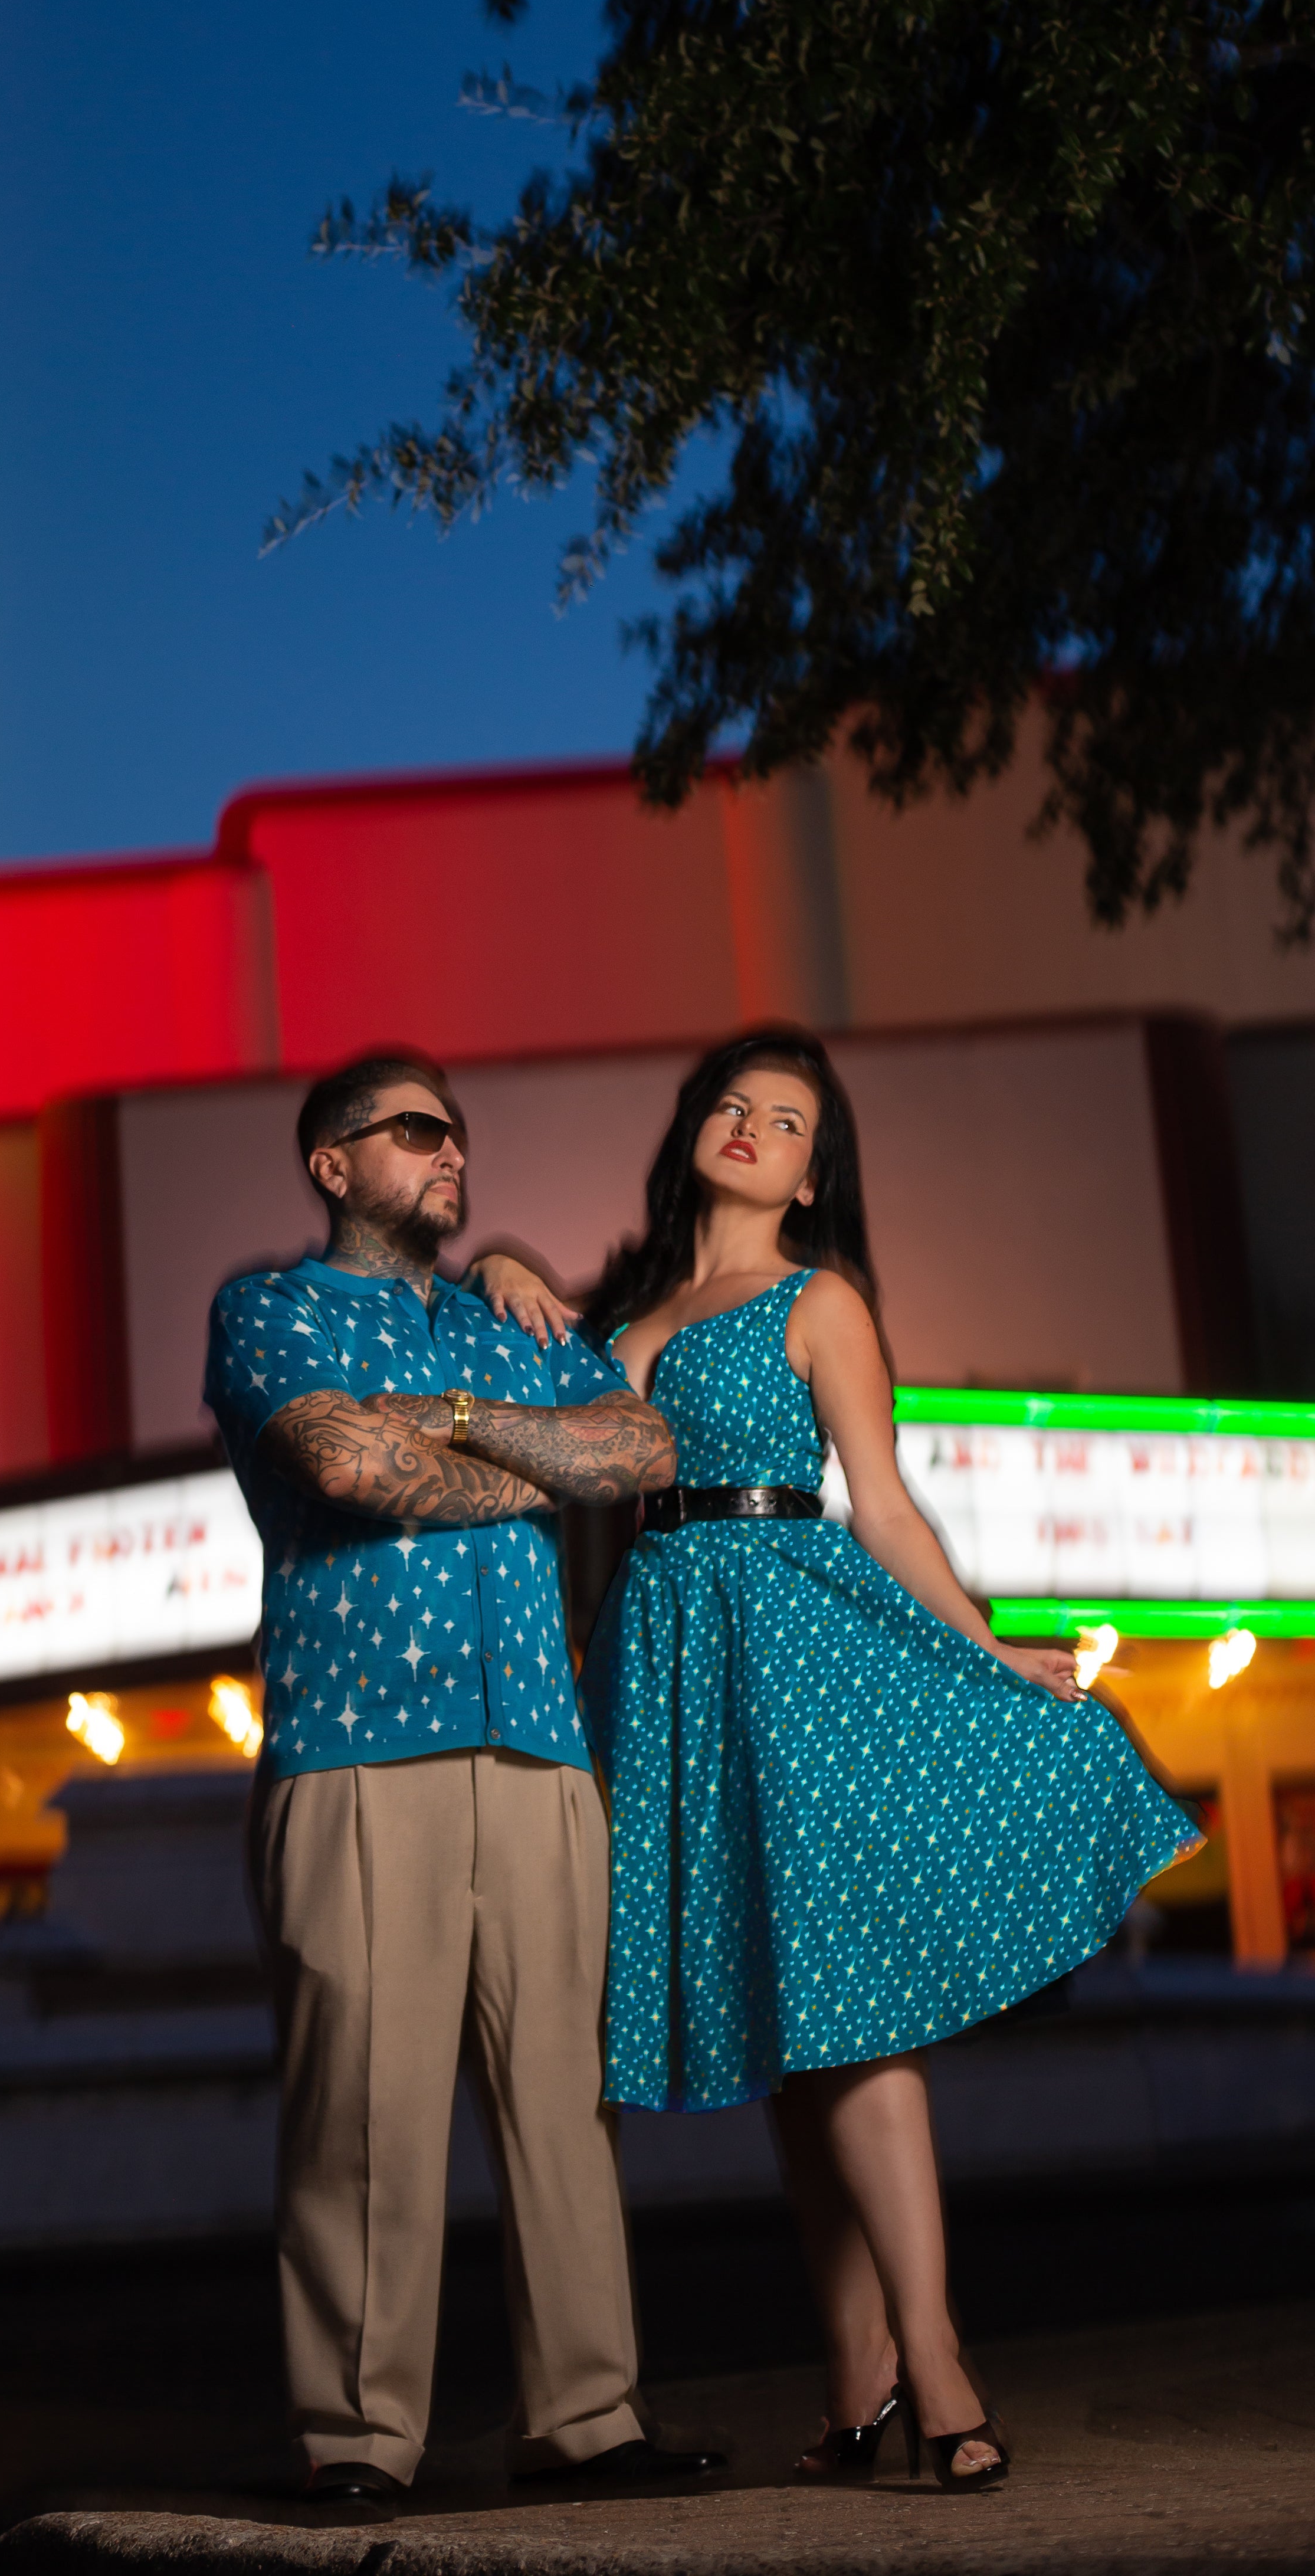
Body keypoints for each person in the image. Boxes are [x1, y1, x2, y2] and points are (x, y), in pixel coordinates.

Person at [473, 1029, 1200, 2496]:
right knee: (787, 2050)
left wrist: (991, 1653)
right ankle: (858, 2374)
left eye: (786, 1120)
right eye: (733, 1106)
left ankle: (935, 2365)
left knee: (850, 2019)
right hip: (663, 1663)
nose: (750, 1127)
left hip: (802, 1650)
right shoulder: (626, 1316)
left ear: (814, 1176)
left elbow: (887, 1508)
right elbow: (536, 1408)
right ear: (694, 1131)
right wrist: (497, 1260)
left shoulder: (823, 1301)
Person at [203, 1049, 710, 2509]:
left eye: (460, 1136)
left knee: (565, 2100)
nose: (452, 1153)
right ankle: (360, 2437)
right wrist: (527, 1462)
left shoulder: (517, 1318)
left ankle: (586, 2418)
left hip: (542, 1753)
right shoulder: (271, 1308)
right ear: (333, 1162)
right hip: (362, 1750)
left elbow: (637, 1446)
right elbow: (345, 1466)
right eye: (418, 1130)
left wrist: (470, 1422)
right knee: (363, 2105)